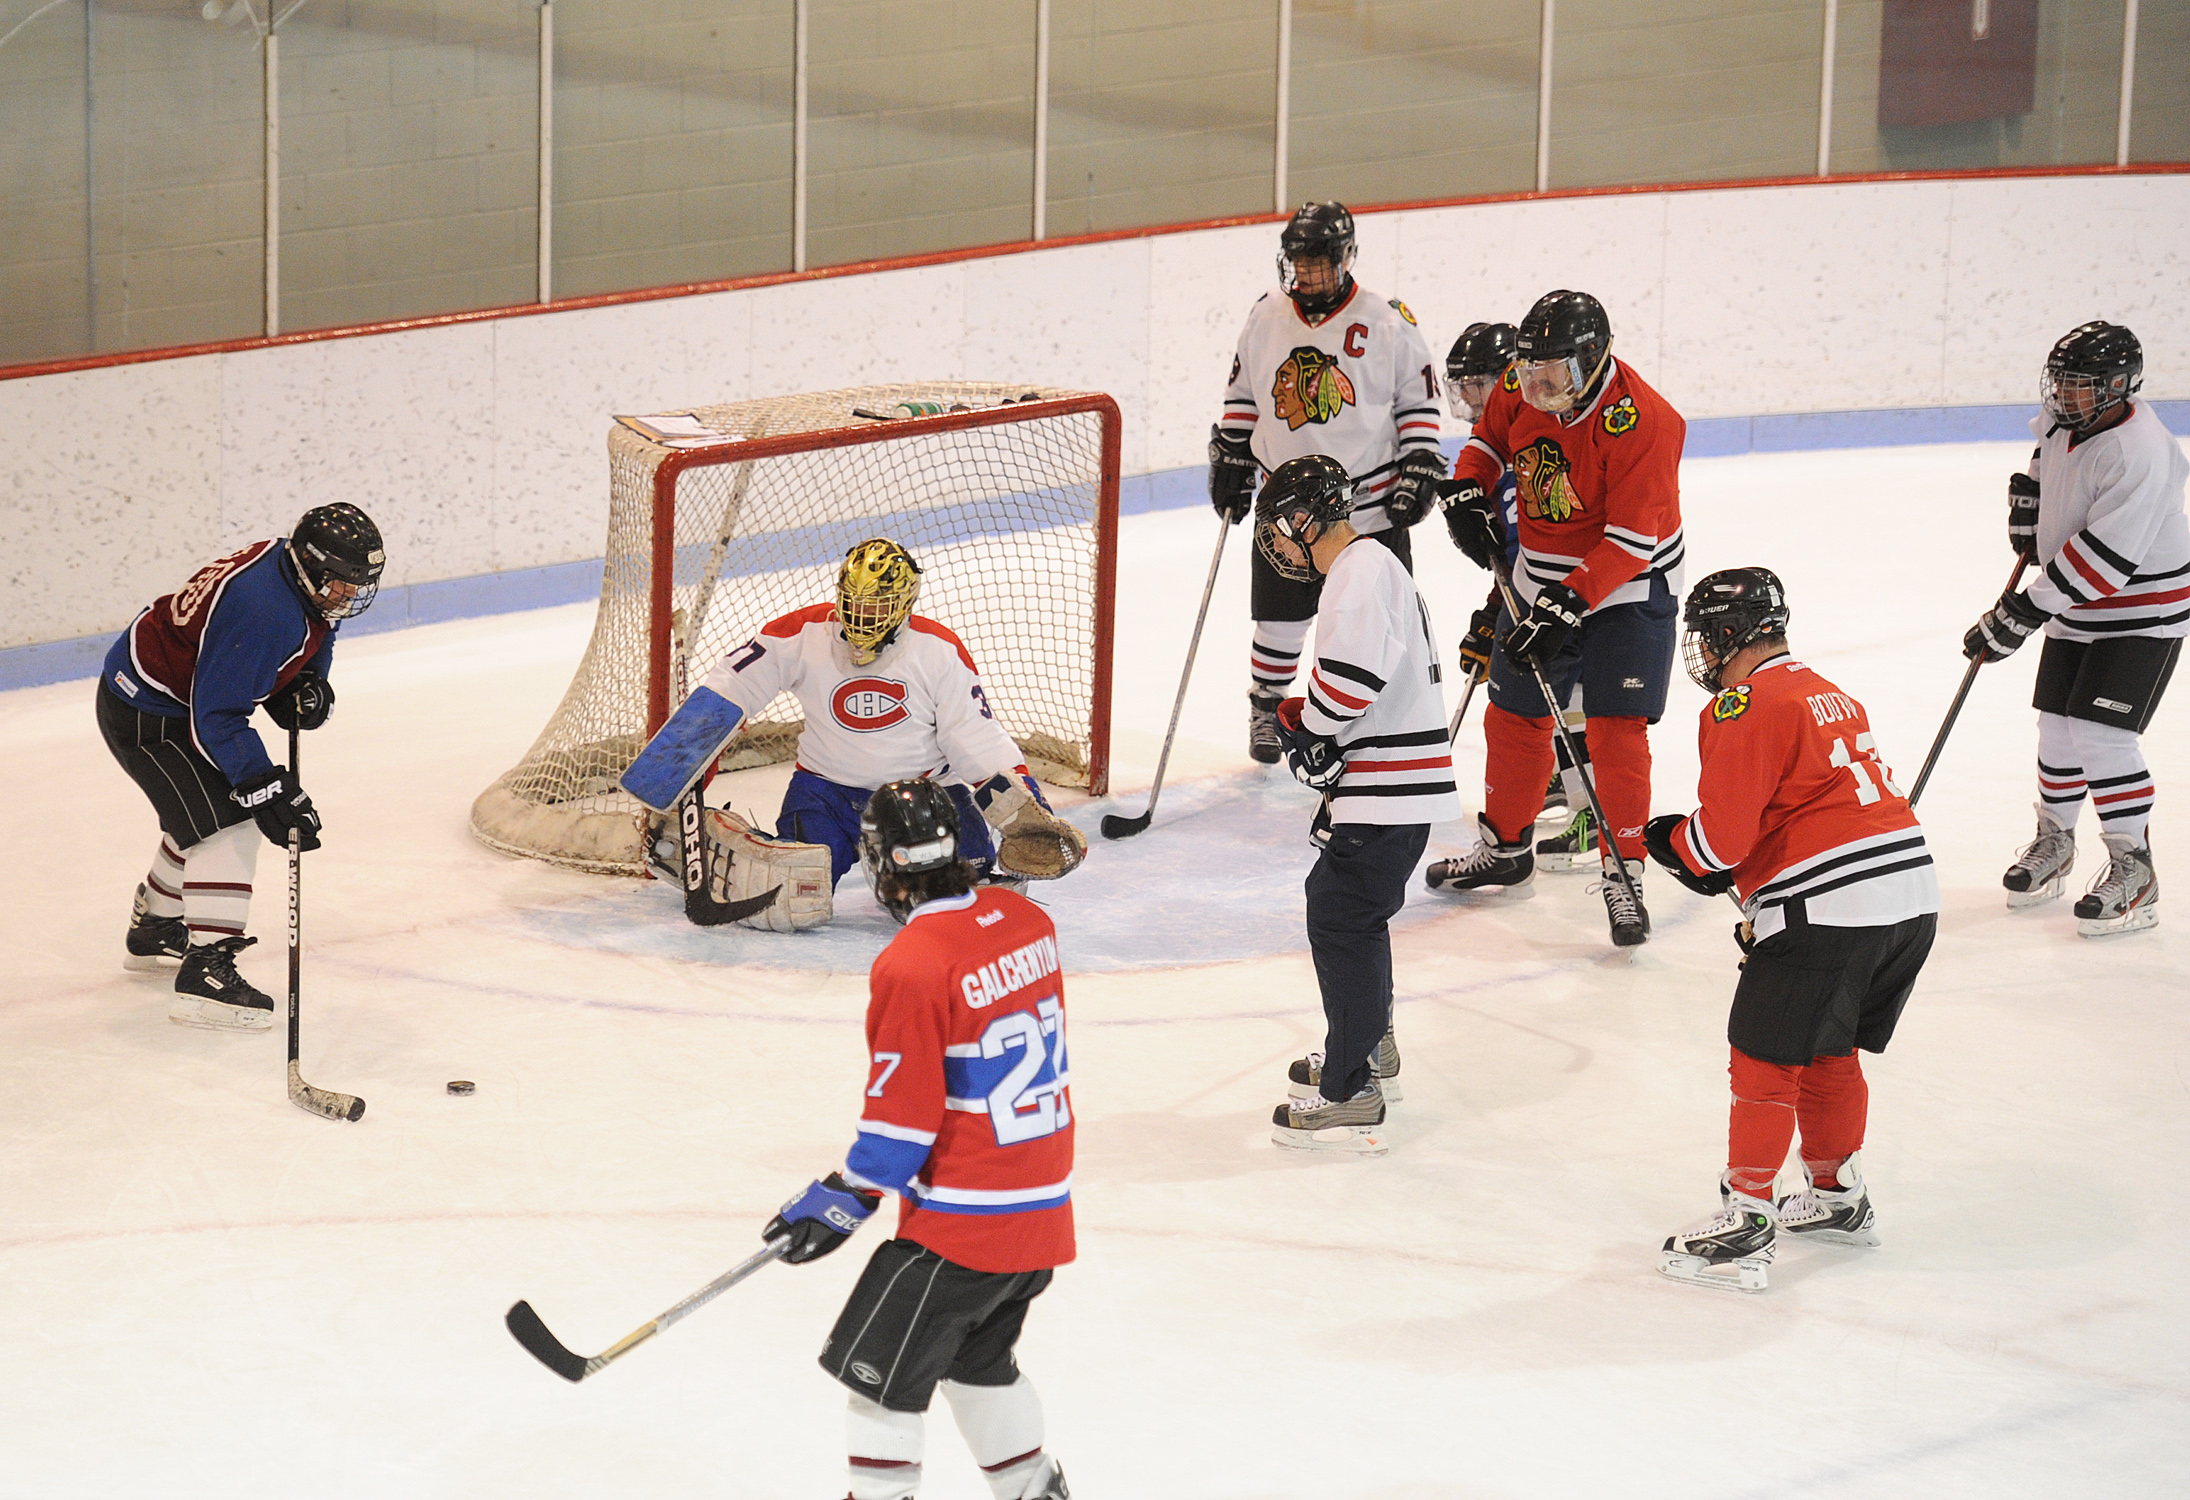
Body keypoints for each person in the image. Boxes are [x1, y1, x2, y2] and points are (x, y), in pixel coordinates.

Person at [763, 779, 1072, 1500]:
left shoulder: (913, 962)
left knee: (879, 1386)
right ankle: (1034, 1488)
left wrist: (842, 1197)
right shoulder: (1029, 921)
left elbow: (904, 1118)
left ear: (879, 861)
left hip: (966, 1227)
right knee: (976, 1366)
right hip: (1041, 1212)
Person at [1642, 568, 1938, 1293]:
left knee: (1766, 1056)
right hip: (1910, 898)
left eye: (1707, 638)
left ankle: (1746, 1221)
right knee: (1828, 1048)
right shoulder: (1831, 692)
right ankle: (1838, 1198)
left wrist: (1668, 840)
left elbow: (1720, 844)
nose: (1703, 656)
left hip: (1829, 907)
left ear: (1726, 636)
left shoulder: (1744, 704)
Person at [635, 538, 1086, 930]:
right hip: (826, 793)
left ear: (906, 604)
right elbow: (729, 689)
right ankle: (707, 843)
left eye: (879, 605)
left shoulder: (938, 653)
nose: (865, 614)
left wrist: (1025, 813)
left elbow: (978, 740)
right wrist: (678, 764)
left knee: (963, 903)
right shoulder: (804, 634)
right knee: (793, 896)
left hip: (926, 800)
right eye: (856, 601)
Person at [1428, 289, 1686, 948]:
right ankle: (1507, 850)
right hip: (1539, 577)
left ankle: (1623, 871)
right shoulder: (1523, 382)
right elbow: (1488, 440)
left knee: (1613, 729)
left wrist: (1568, 606)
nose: (1539, 390)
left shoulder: (1645, 421)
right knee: (1513, 713)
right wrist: (1467, 486)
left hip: (1628, 586)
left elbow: (1630, 542)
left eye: (1556, 376)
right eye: (1530, 371)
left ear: (1594, 359)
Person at [97, 504, 385, 1029]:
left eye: (357, 584)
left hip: (175, 695)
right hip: (150, 709)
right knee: (230, 823)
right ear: (313, 568)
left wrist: (305, 680)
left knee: (201, 815)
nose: (348, 595)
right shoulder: (261, 608)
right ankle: (205, 975)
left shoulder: (299, 575)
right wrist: (264, 786)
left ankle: (155, 931)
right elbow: (219, 718)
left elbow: (320, 625)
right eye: (341, 583)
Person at [1256, 457, 1459, 1153]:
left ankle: (1352, 1086)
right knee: (1352, 913)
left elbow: (1346, 687)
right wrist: (1314, 726)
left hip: (1390, 787)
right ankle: (1368, 1049)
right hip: (1392, 782)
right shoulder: (1369, 565)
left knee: (1341, 916)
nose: (1278, 547)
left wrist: (1303, 725)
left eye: (1279, 531)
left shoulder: (1358, 572)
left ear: (1304, 520)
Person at [1965, 321, 2186, 938]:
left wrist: (2018, 615)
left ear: (2119, 387)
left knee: (2101, 732)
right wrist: (2032, 500)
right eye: (2059, 381)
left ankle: (2134, 872)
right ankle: (2056, 843)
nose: (2064, 395)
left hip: (2144, 611)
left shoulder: (2141, 450)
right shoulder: (2069, 417)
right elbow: (2046, 449)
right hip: (2079, 605)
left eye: (2081, 386)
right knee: (2058, 729)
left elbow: (2104, 558)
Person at [1208, 200, 1446, 764]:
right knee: (1279, 614)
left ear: (1345, 258)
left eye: (1319, 262)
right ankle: (1267, 705)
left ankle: (1374, 708)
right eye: (1298, 262)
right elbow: (1244, 396)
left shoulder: (1388, 318)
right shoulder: (1265, 314)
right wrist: (1234, 454)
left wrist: (1418, 463)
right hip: (1285, 508)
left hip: (1368, 504)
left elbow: (1419, 401)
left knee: (1377, 616)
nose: (1307, 274)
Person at [1443, 320, 1597, 870]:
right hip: (1554, 590)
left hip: (1589, 594)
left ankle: (1592, 818)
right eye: (1458, 388)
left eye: (1476, 387)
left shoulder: (1535, 449)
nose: (1467, 402)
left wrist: (1495, 614)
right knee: (1540, 690)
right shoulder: (1506, 447)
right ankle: (1561, 784)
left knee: (1573, 694)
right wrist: (1495, 614)